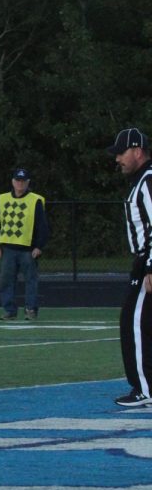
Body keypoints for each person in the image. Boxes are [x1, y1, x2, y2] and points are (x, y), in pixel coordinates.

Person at [107, 128, 152, 407]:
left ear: (137, 151)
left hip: (147, 261)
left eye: (121, 153)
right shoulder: (144, 180)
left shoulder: (147, 181)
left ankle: (144, 388)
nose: (117, 159)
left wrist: (149, 266)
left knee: (133, 323)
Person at [0, 167, 49, 320]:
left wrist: (39, 246)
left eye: (23, 181)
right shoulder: (3, 199)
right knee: (6, 281)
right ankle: (9, 310)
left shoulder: (35, 200)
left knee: (31, 281)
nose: (20, 183)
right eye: (17, 180)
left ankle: (30, 309)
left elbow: (42, 226)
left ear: (28, 182)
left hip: (28, 249)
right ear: (12, 181)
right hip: (8, 248)